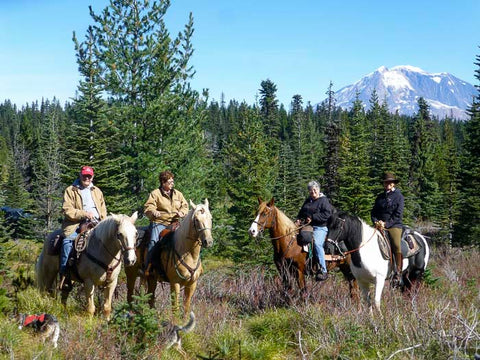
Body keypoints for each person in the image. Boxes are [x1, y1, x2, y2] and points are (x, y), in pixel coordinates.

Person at [59, 166, 107, 289]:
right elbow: (67, 210)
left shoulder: (97, 191)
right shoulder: (71, 190)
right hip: (76, 224)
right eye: (85, 175)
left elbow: (103, 210)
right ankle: (65, 273)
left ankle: (109, 274)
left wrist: (104, 222)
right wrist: (84, 214)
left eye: (89, 176)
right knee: (68, 242)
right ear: (80, 175)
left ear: (92, 177)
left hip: (97, 224)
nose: (87, 178)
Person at [143, 170, 188, 270]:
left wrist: (182, 212)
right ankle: (149, 266)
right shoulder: (155, 194)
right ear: (163, 183)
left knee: (187, 237)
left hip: (175, 223)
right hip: (159, 223)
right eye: (170, 182)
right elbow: (148, 207)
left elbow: (185, 206)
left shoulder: (178, 194)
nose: (172, 184)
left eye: (172, 181)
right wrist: (153, 211)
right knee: (153, 241)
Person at [371, 172, 405, 286]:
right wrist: (376, 221)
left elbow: (398, 214)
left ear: (393, 184)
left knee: (396, 244)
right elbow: (373, 212)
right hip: (379, 225)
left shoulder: (399, 196)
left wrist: (386, 224)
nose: (387, 184)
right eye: (386, 182)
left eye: (389, 182)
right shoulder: (380, 197)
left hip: (394, 225)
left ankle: (398, 272)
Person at [295, 180, 332, 281]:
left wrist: (313, 217)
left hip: (320, 227)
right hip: (307, 226)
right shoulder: (308, 200)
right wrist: (298, 219)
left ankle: (323, 270)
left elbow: (327, 214)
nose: (313, 192)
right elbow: (302, 212)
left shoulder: (323, 200)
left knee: (316, 244)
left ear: (318, 189)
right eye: (311, 191)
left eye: (315, 190)